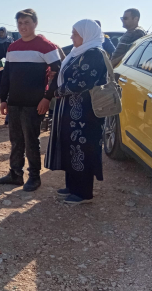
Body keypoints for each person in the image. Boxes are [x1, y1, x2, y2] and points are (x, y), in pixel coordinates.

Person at [0, 9, 61, 192]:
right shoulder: (12, 47)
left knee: (31, 140)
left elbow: (58, 73)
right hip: (15, 102)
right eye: (20, 23)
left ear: (35, 24)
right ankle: (15, 174)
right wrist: (3, 99)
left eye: (27, 22)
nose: (23, 26)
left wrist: (47, 98)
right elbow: (7, 75)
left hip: (34, 103)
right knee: (16, 140)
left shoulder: (46, 46)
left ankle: (34, 177)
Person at [45, 19, 108, 204]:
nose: (71, 37)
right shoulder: (77, 52)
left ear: (86, 34)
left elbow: (84, 81)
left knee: (83, 148)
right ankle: (73, 186)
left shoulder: (94, 54)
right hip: (71, 111)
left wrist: (59, 90)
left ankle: (83, 192)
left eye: (75, 33)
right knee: (71, 147)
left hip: (86, 114)